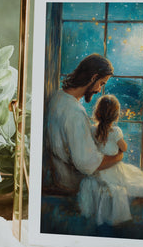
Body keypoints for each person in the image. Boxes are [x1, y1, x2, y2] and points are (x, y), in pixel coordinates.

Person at [45, 54, 124, 195]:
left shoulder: (57, 98)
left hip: (58, 179)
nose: (99, 90)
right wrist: (118, 157)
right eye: (101, 83)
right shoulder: (75, 112)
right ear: (93, 78)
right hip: (73, 185)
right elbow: (87, 164)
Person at [77, 94, 143, 226]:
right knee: (133, 178)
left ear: (97, 113)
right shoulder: (116, 131)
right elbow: (124, 148)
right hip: (113, 169)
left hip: (98, 169)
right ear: (116, 116)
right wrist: (119, 149)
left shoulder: (92, 130)